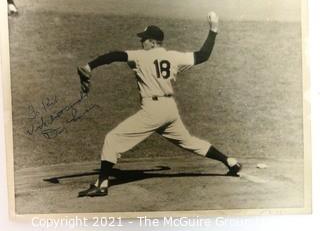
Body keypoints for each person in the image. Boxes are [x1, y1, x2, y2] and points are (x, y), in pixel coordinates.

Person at [77, 11, 242, 197]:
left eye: (144, 39)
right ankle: (229, 161)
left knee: (113, 139)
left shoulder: (140, 56)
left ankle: (102, 183)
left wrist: (90, 66)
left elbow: (114, 55)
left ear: (154, 42)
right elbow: (203, 55)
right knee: (189, 141)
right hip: (169, 110)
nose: (142, 42)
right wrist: (213, 29)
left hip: (153, 111)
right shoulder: (174, 57)